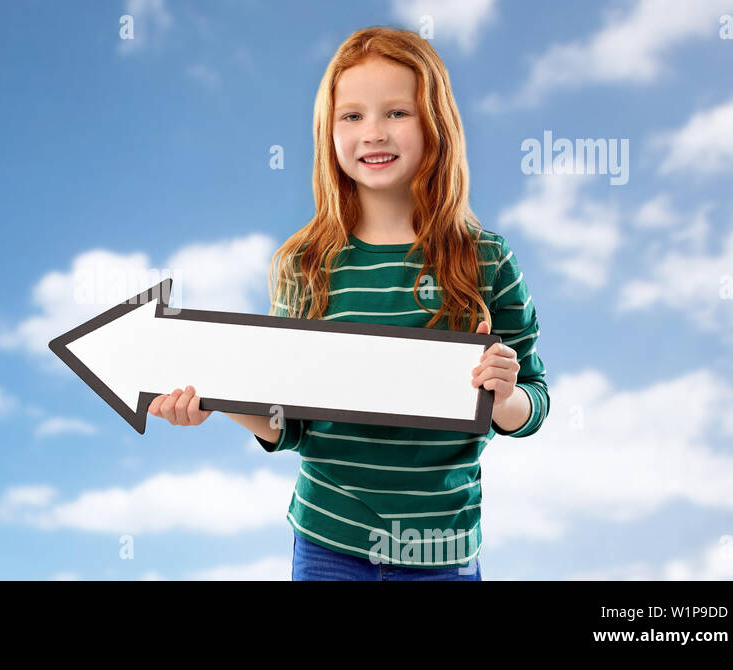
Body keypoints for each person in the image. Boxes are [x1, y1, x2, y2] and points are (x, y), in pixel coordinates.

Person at [146, 26, 550, 581]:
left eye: (397, 113)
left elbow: (535, 400)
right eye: (352, 116)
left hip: (440, 553)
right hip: (326, 546)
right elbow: (289, 422)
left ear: (436, 122)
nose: (373, 133)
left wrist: (503, 398)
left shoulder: (485, 258)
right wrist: (214, 401)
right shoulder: (305, 262)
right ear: (328, 131)